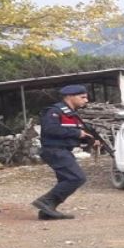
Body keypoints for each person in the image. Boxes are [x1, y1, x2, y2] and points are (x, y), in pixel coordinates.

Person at [32, 84, 95, 220]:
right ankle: (45, 201)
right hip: (54, 150)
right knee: (76, 178)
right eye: (82, 97)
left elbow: (69, 134)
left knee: (66, 180)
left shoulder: (71, 114)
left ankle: (47, 211)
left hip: (63, 150)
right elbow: (50, 130)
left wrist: (87, 139)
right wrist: (78, 133)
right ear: (69, 97)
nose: (86, 100)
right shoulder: (55, 111)